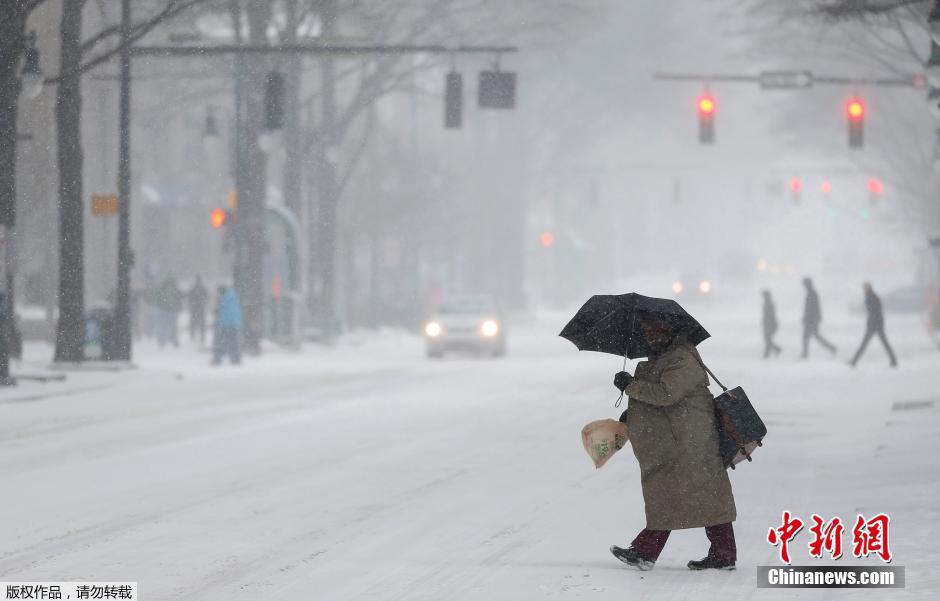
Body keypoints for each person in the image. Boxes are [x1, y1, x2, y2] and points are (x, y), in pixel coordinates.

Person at [609, 317, 737, 571]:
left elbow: (666, 394)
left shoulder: (682, 358)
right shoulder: (664, 356)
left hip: (690, 443)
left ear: (670, 329)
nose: (650, 335)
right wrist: (633, 413)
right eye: (647, 330)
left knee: (678, 494)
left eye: (655, 329)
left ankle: (647, 550)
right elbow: (660, 398)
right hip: (679, 441)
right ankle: (722, 554)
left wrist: (631, 386)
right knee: (696, 497)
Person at [850, 282, 897, 368]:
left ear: (867, 289)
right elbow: (877, 311)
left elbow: (873, 312)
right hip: (877, 324)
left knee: (864, 344)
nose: (863, 290)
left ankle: (854, 361)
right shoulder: (873, 296)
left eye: (864, 288)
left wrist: (871, 323)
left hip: (873, 325)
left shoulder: (870, 297)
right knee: (884, 343)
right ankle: (893, 360)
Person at [801, 277, 836, 358]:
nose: (804, 286)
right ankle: (831, 348)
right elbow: (811, 308)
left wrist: (810, 318)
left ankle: (805, 354)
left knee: (808, 337)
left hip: (811, 320)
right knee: (815, 337)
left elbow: (813, 308)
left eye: (805, 284)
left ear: (808, 285)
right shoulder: (811, 293)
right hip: (811, 320)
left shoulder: (812, 294)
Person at [212, 285, 242, 365]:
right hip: (234, 324)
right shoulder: (232, 298)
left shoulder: (225, 300)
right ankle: (235, 359)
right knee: (233, 342)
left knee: (219, 342)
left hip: (226, 324)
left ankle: (217, 359)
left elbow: (224, 313)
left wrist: (218, 323)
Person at [188, 276, 209, 345]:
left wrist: (191, 304)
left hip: (194, 309)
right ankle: (202, 337)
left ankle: (193, 337)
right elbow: (207, 297)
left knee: (193, 324)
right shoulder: (203, 288)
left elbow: (189, 298)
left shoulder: (193, 288)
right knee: (202, 324)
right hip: (201, 309)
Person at [761, 289, 781, 358]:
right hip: (767, 323)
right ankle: (770, 352)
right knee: (767, 339)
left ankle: (773, 351)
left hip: (770, 324)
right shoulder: (768, 303)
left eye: (764, 295)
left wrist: (772, 324)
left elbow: (772, 315)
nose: (763, 297)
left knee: (767, 338)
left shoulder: (769, 304)